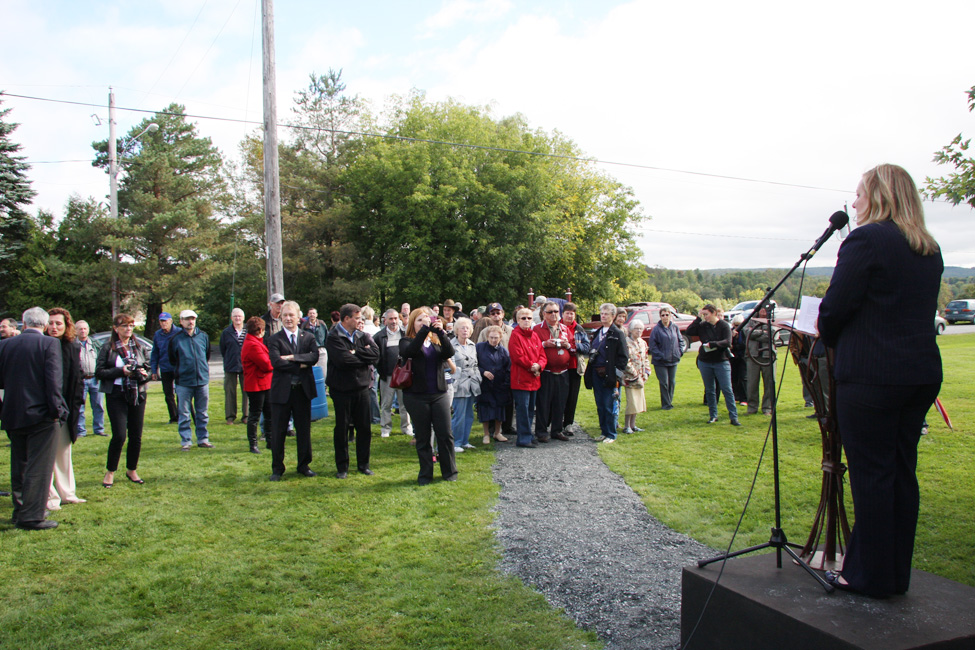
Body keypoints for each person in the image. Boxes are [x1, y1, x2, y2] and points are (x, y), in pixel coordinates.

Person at [817, 164, 943, 598]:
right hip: (920, 373)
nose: (853, 203)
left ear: (878, 195)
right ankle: (894, 575)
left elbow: (834, 308)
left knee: (871, 475)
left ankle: (867, 577)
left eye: (858, 194)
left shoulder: (866, 239)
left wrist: (828, 337)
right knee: (901, 473)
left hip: (872, 375)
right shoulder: (928, 247)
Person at [0, 306, 66, 530]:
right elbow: (53, 380)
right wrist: (57, 409)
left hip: (12, 412)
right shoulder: (49, 343)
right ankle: (32, 515)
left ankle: (19, 509)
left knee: (19, 463)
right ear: (45, 325)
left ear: (23, 323)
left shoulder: (5, 345)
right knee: (39, 465)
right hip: (41, 414)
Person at [399, 307, 458, 484]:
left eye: (427, 319)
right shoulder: (406, 341)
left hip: (439, 393)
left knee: (445, 434)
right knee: (423, 437)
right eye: (420, 320)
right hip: (416, 395)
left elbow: (449, 353)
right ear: (413, 324)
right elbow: (410, 352)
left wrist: (440, 332)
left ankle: (450, 472)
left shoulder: (436, 341)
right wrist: (425, 329)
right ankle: (426, 474)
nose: (424, 322)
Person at [325, 304, 380, 479]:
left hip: (362, 388)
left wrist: (356, 352)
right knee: (342, 428)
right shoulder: (333, 337)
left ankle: (364, 464)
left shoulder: (363, 335)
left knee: (364, 427)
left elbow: (376, 355)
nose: (360, 321)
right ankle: (342, 467)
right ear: (346, 318)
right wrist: (363, 357)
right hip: (341, 389)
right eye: (357, 318)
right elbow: (343, 360)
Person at [268, 301, 321, 480]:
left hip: (302, 391)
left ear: (299, 317)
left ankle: (304, 465)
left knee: (304, 430)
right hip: (281, 392)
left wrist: (292, 358)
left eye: (292, 315)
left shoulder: (308, 338)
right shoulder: (274, 339)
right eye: (285, 315)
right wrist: (302, 364)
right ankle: (277, 468)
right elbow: (277, 363)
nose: (288, 318)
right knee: (278, 431)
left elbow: (314, 357)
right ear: (280, 318)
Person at [96, 312, 150, 487]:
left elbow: (149, 368)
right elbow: (100, 372)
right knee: (119, 435)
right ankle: (110, 471)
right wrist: (121, 371)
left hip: (137, 394)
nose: (128, 329)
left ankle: (131, 469)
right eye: (124, 326)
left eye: (131, 326)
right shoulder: (108, 348)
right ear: (115, 328)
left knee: (136, 435)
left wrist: (144, 373)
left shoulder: (139, 346)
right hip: (116, 394)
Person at [44, 308, 85, 510]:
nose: (54, 327)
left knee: (63, 451)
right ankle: (50, 497)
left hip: (67, 406)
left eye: (58, 323)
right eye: (50, 323)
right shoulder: (41, 345)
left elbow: (77, 378)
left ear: (66, 325)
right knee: (45, 454)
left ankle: (67, 493)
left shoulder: (71, 346)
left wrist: (75, 404)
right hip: (45, 407)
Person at [686, 305, 740, 426]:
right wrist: (698, 318)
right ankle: (713, 415)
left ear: (714, 313)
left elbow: (728, 341)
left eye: (707, 314)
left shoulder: (724, 325)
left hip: (721, 361)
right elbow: (689, 331)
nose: (705, 317)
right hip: (705, 361)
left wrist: (713, 344)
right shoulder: (703, 325)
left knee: (727, 389)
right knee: (710, 389)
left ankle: (733, 416)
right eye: (703, 314)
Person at [584, 303, 629, 443]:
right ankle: (604, 431)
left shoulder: (617, 334)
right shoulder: (598, 332)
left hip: (609, 374)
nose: (603, 316)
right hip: (596, 373)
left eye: (606, 314)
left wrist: (615, 374)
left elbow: (623, 357)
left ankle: (611, 434)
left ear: (613, 316)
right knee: (600, 405)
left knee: (609, 404)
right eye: (602, 313)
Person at [168, 309, 213, 450]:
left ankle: (203, 439)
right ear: (181, 321)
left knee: (202, 413)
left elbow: (206, 355)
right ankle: (186, 441)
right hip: (184, 382)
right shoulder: (175, 339)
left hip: (202, 381)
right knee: (184, 413)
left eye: (193, 318)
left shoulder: (203, 336)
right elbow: (172, 359)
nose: (190, 321)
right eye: (187, 319)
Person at [533, 301, 573, 442]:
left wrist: (567, 345)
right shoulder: (537, 329)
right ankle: (541, 432)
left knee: (560, 402)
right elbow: (532, 347)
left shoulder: (564, 328)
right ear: (544, 314)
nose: (554, 314)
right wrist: (544, 344)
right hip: (546, 372)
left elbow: (573, 346)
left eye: (556, 311)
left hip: (563, 372)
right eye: (550, 312)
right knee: (543, 403)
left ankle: (557, 430)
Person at [508, 307, 546, 448]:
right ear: (517, 320)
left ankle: (528, 435)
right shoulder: (515, 335)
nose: (526, 320)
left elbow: (542, 354)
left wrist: (540, 366)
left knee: (530, 409)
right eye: (523, 318)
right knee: (523, 410)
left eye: (529, 318)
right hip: (521, 380)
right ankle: (523, 438)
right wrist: (532, 366)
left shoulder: (535, 335)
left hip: (534, 379)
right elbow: (517, 356)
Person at [374, 309, 413, 439]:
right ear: (385, 320)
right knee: (386, 404)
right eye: (390, 319)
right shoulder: (379, 337)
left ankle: (406, 427)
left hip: (404, 375)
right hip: (387, 376)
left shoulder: (405, 334)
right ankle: (385, 428)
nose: (393, 321)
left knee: (405, 404)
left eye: (396, 318)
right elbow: (375, 357)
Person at [241, 316, 272, 454]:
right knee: (255, 415)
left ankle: (271, 440)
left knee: (269, 413)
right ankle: (253, 444)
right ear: (260, 330)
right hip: (256, 385)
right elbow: (266, 364)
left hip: (264, 383)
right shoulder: (252, 344)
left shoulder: (255, 342)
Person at [476, 326, 511, 445]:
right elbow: (474, 364)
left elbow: (508, 368)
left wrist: (506, 383)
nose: (493, 340)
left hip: (499, 385)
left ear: (500, 338)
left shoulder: (503, 351)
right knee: (484, 408)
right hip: (485, 384)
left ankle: (497, 432)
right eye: (491, 337)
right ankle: (486, 434)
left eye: (496, 338)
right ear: (487, 337)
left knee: (499, 409)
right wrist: (483, 372)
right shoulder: (479, 348)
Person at [450, 318, 480, 452]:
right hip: (459, 384)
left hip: (472, 383)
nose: (465, 330)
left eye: (467, 328)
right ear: (456, 330)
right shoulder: (451, 345)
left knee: (469, 415)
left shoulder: (472, 345)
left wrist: (478, 378)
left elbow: (476, 364)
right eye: (462, 327)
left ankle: (465, 441)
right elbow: (449, 366)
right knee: (459, 414)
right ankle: (455, 442)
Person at [648, 306, 686, 410]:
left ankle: (669, 401)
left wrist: (680, 352)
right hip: (660, 362)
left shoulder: (675, 327)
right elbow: (653, 346)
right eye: (663, 315)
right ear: (660, 317)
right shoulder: (656, 330)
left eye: (667, 315)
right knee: (664, 382)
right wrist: (661, 355)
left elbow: (680, 340)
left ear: (670, 315)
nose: (665, 317)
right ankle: (666, 404)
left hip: (673, 360)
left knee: (672, 382)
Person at [560, 303, 590, 433]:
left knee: (572, 397)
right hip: (559, 366)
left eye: (572, 313)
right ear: (563, 314)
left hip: (574, 367)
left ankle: (568, 423)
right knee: (559, 396)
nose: (569, 316)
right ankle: (555, 422)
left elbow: (587, 347)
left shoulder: (579, 329)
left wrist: (573, 347)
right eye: (567, 313)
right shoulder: (557, 327)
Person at [75, 319, 106, 437]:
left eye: (85, 328)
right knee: (80, 407)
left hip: (95, 379)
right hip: (80, 380)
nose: (83, 331)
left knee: (98, 405)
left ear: (88, 330)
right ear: (76, 331)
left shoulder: (96, 344)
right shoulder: (73, 345)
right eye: (80, 329)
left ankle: (99, 429)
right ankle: (81, 431)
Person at [742, 307, 775, 415]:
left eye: (765, 309)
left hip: (768, 356)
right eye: (761, 309)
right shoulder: (751, 320)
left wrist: (755, 334)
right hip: (752, 356)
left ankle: (767, 408)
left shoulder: (773, 321)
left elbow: (773, 335)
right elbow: (747, 332)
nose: (763, 311)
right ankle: (752, 408)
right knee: (752, 384)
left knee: (769, 383)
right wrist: (763, 332)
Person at [219, 308, 248, 426]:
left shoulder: (248, 330)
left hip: (246, 366)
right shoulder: (226, 332)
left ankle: (246, 415)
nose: (237, 318)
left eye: (240, 316)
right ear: (231, 318)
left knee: (247, 392)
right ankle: (230, 416)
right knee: (230, 391)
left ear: (243, 318)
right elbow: (222, 349)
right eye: (235, 316)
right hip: (230, 365)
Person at [149, 312, 179, 423]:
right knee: (168, 394)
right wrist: (154, 369)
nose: (163, 323)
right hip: (165, 368)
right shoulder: (158, 335)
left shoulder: (179, 333)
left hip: (178, 368)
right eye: (161, 321)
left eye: (165, 321)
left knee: (181, 392)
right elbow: (155, 353)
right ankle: (174, 417)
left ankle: (182, 416)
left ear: (171, 321)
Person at [621, 320, 650, 434]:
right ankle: (626, 425)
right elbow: (626, 361)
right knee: (631, 402)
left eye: (640, 329)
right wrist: (635, 374)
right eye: (636, 328)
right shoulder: (626, 343)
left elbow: (646, 358)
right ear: (631, 330)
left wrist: (647, 372)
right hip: (630, 378)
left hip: (641, 378)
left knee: (638, 402)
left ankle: (633, 425)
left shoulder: (642, 343)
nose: (638, 331)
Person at [729, 315, 749, 404]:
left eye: (739, 325)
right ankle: (735, 396)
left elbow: (745, 345)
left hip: (743, 357)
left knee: (743, 377)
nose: (737, 327)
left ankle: (744, 398)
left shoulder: (744, 332)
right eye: (736, 325)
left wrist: (734, 346)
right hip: (733, 358)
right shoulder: (730, 332)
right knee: (734, 377)